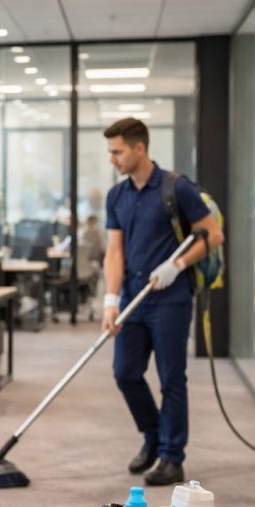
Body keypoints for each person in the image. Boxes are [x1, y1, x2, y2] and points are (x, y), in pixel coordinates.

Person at [101, 117, 224, 487]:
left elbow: (213, 235)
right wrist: (110, 300)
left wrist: (177, 265)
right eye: (110, 152)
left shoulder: (176, 188)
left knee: (172, 378)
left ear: (140, 148)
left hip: (171, 298)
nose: (113, 159)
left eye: (118, 151)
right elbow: (114, 252)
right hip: (132, 299)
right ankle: (153, 437)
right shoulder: (117, 196)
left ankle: (172, 456)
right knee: (125, 373)